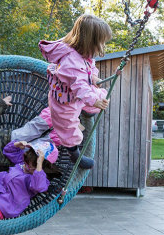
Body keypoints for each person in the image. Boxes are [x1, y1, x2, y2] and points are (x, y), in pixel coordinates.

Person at [38, 14, 112, 169]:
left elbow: (90, 65)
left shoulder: (83, 53)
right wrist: (93, 100)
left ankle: (88, 109)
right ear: (90, 42)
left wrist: (93, 77)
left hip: (76, 94)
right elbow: (80, 87)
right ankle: (74, 153)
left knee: (101, 95)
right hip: (64, 101)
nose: (102, 46)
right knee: (69, 128)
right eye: (100, 42)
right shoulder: (71, 61)